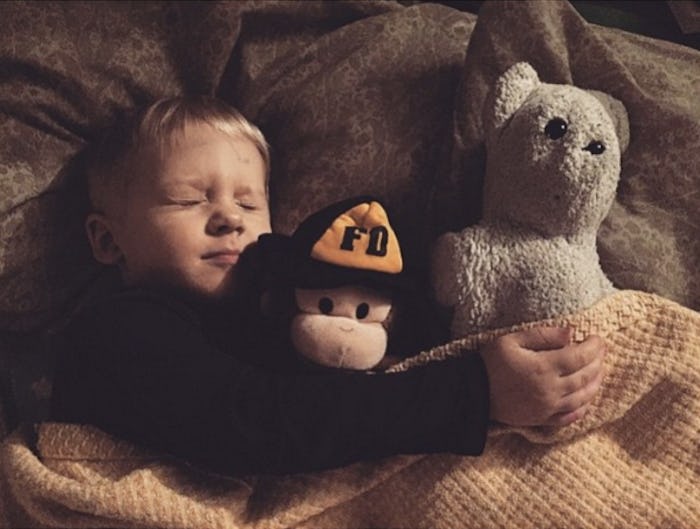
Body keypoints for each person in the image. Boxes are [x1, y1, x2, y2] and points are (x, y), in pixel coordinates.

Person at [49, 96, 607, 476]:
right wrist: (475, 392)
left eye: (248, 202)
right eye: (190, 199)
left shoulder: (275, 313)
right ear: (107, 240)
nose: (229, 219)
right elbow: (256, 421)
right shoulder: (116, 331)